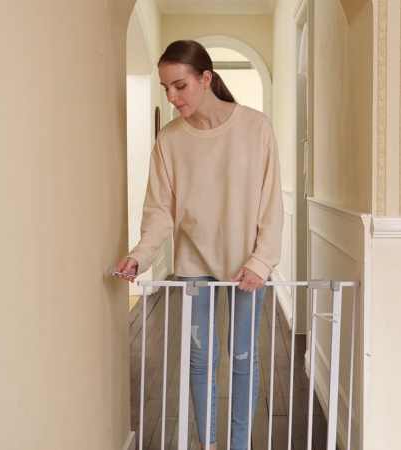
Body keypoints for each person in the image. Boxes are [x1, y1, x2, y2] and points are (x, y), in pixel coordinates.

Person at [114, 40, 283, 450]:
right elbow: (159, 213)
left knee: (243, 359)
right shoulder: (169, 141)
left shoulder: (256, 127)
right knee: (200, 360)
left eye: (180, 86)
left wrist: (261, 261)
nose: (171, 97)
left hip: (246, 266)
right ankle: (208, 444)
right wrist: (140, 256)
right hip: (194, 266)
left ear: (206, 79)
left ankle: (240, 445)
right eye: (165, 88)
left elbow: (271, 203)